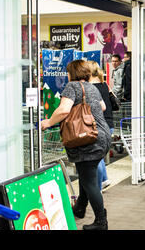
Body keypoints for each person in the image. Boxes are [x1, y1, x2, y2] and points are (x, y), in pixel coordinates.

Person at [40, 60, 111, 230]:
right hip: (102, 134)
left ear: (72, 73)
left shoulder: (72, 86)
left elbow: (64, 110)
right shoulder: (92, 86)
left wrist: (48, 122)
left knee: (90, 182)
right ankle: (80, 208)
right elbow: (102, 107)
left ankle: (101, 221)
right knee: (86, 176)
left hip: (88, 138)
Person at [88, 61, 112, 191]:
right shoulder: (104, 85)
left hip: (100, 124)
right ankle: (104, 179)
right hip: (109, 123)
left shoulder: (90, 88)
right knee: (100, 155)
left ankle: (100, 183)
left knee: (97, 156)